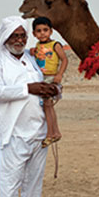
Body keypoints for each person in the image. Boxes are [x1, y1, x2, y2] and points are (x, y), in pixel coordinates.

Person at [0, 16, 59, 197]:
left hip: (39, 131)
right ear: (5, 37)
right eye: (14, 36)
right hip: (14, 133)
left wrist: (53, 90)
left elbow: (46, 83)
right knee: (10, 181)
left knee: (34, 182)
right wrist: (28, 88)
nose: (19, 40)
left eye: (22, 36)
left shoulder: (33, 59)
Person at [30, 16, 68, 147]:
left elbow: (64, 59)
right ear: (34, 34)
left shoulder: (55, 45)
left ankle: (52, 134)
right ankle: (53, 132)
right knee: (47, 106)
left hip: (51, 78)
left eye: (45, 30)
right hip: (41, 78)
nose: (42, 33)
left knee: (48, 105)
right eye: (39, 31)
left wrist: (59, 74)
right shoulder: (37, 46)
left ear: (51, 31)